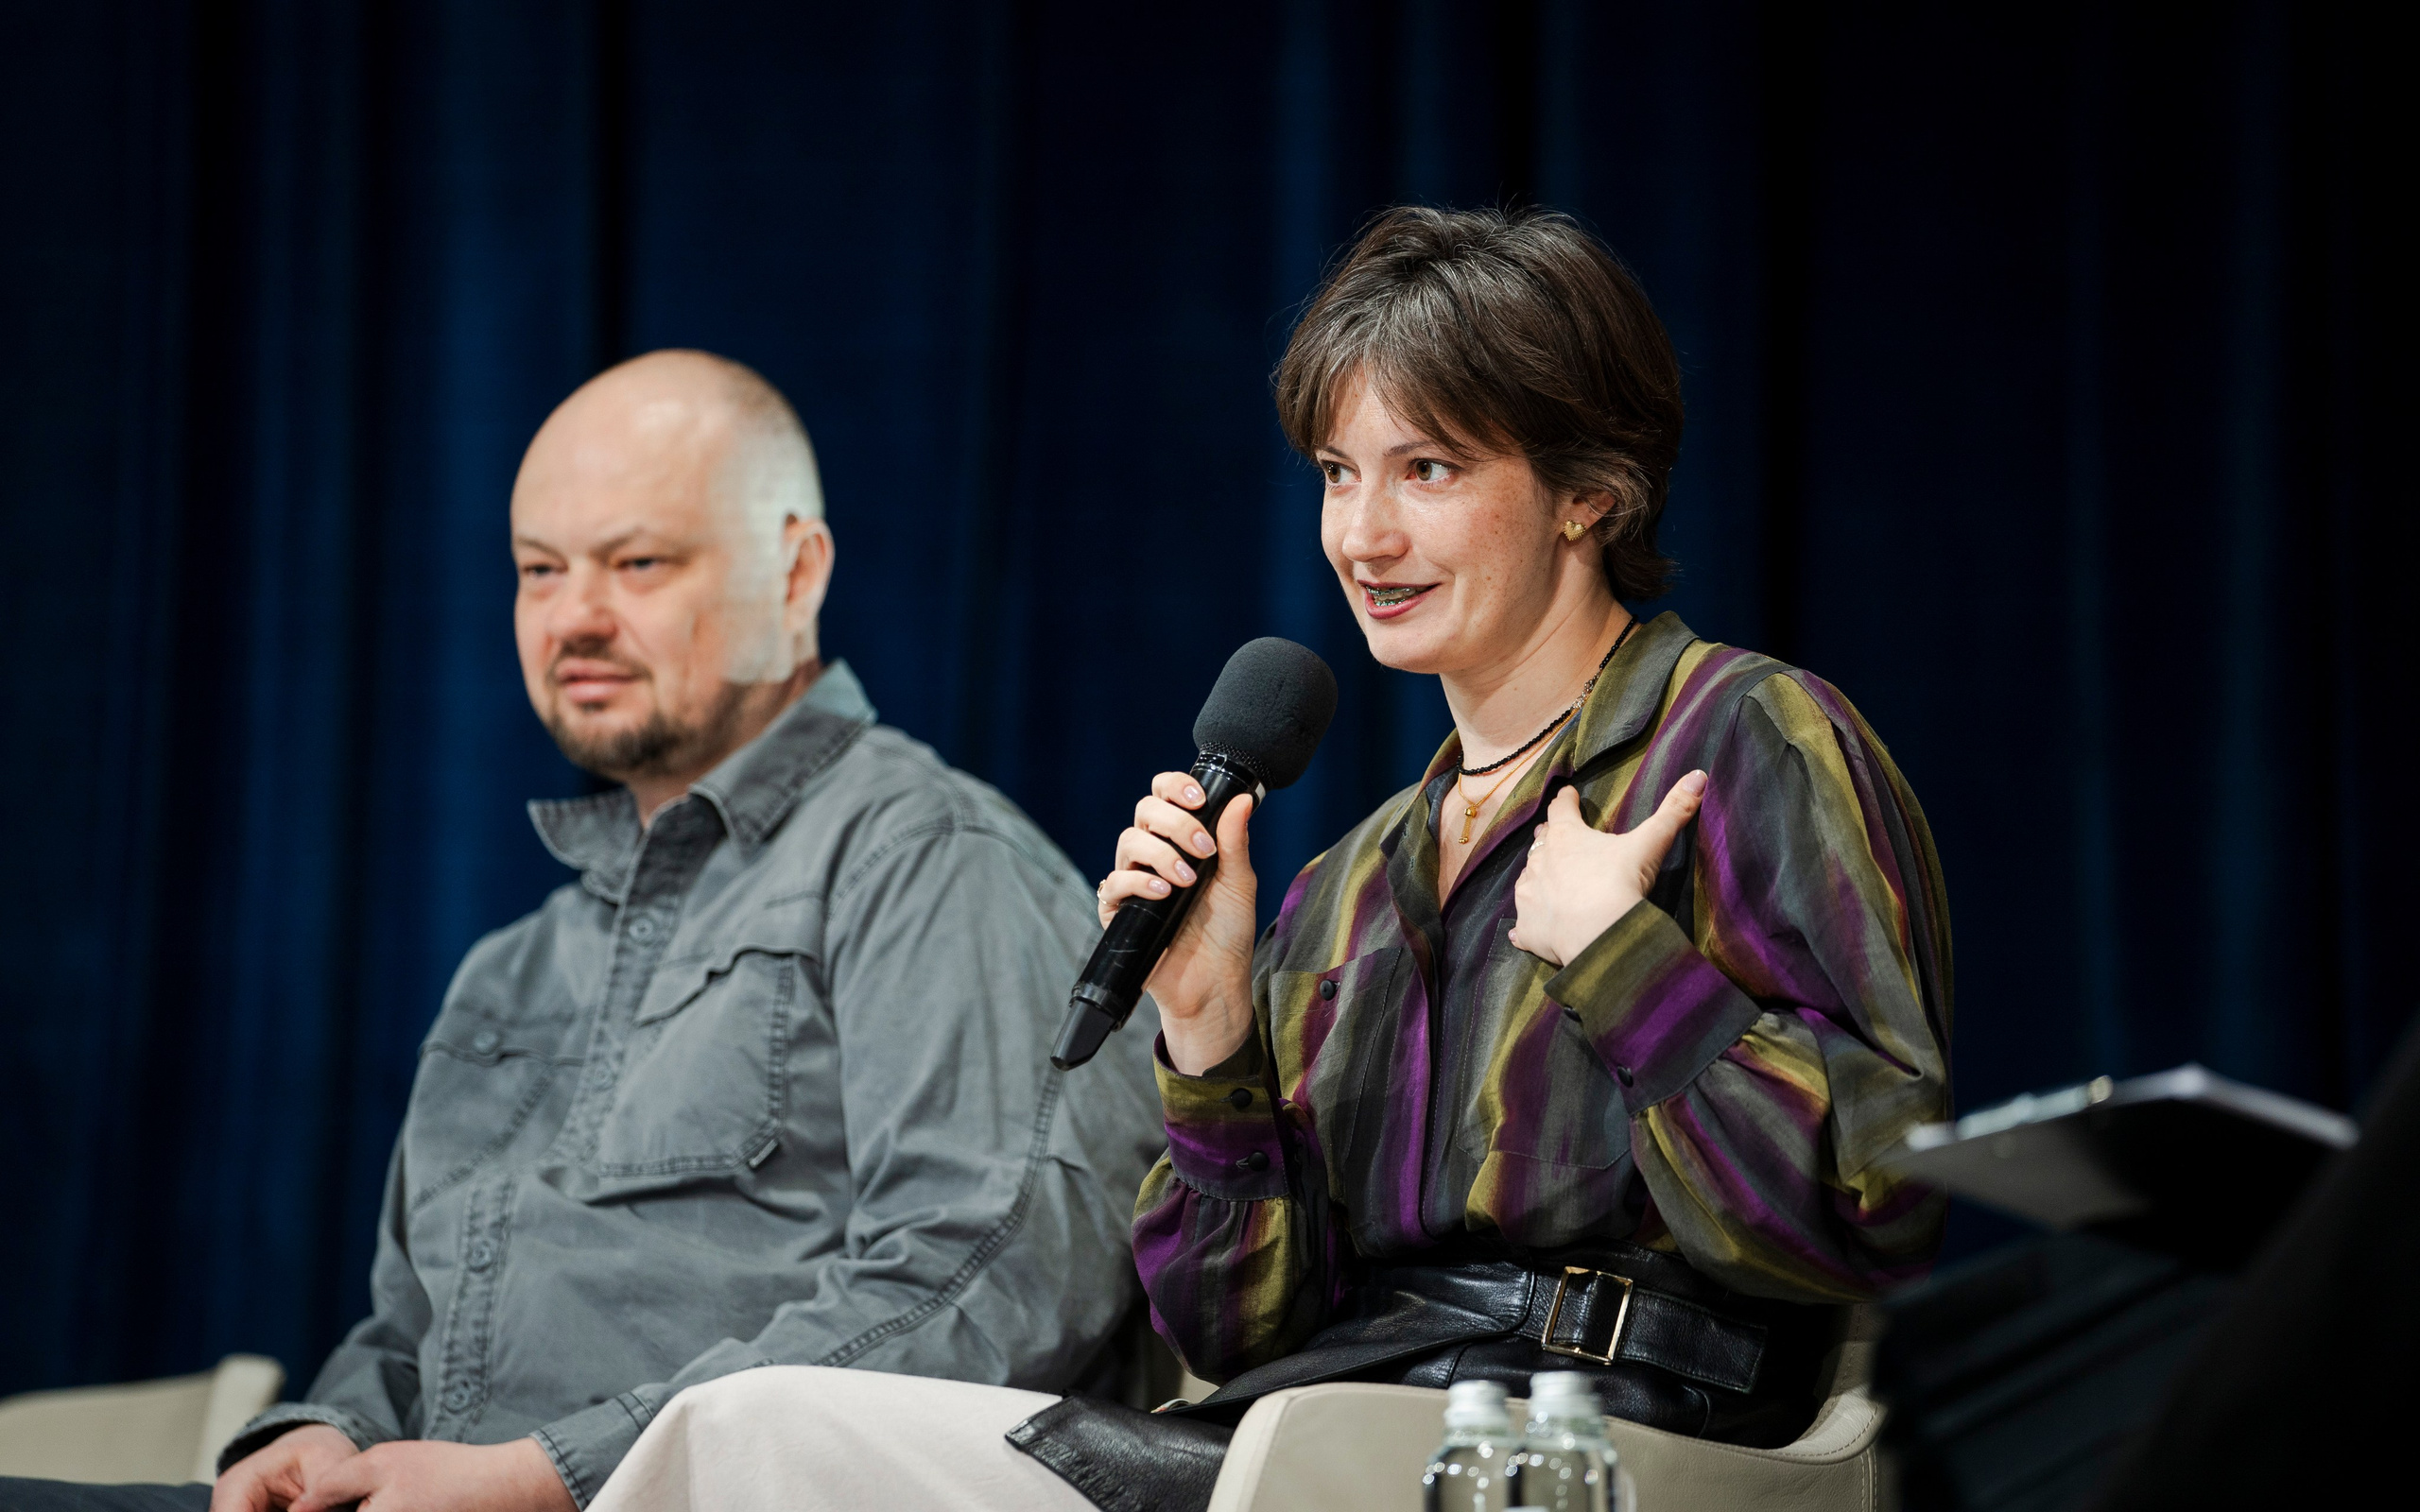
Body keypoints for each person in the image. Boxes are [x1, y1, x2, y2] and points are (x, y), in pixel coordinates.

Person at [570, 209, 1955, 1511]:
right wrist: (1209, 1028)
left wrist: (1623, 963)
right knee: (745, 1437)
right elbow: (1240, 1330)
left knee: (749, 1437)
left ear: (1588, 492)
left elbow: (1881, 1210)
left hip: (1596, 1442)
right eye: (1341, 476)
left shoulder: (1742, 738)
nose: (1363, 535)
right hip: (1329, 1424)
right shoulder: (1349, 879)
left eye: (1431, 470)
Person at [0, 351, 1164, 1512]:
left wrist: (546, 1478)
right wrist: (327, 1429)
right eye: (539, 570)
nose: (576, 618)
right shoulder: (511, 966)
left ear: (798, 570)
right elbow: (409, 1335)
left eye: (639, 563)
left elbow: (1005, 1271)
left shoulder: (925, 856)